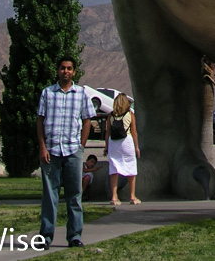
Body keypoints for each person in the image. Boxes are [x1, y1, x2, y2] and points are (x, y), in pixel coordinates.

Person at [37, 57, 96, 248]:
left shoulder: (81, 93)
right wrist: (42, 147)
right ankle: (45, 236)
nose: (66, 71)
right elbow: (40, 120)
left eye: (69, 68)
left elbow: (87, 120)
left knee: (74, 195)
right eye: (62, 68)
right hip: (51, 151)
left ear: (74, 72)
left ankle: (75, 236)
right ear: (58, 70)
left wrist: (81, 146)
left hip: (72, 151)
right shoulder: (47, 93)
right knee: (50, 196)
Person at [104, 92, 141, 205]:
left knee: (114, 168)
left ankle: (114, 197)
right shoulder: (130, 114)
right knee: (131, 168)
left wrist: (106, 146)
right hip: (127, 142)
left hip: (114, 143)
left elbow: (108, 132)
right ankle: (132, 196)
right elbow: (134, 132)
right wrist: (137, 147)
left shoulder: (111, 115)